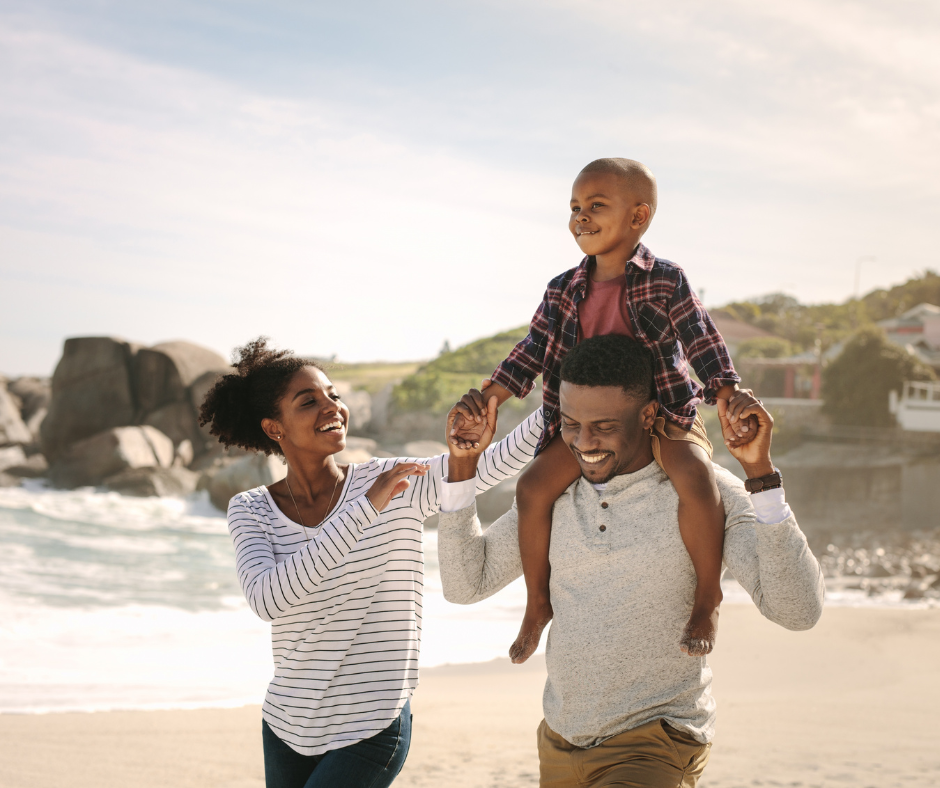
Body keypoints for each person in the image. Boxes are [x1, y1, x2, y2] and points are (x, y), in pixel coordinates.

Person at [439, 335, 824, 788]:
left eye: (603, 425)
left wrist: (760, 474)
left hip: (656, 741)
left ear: (646, 416)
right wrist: (463, 467)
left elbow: (798, 612)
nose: (584, 442)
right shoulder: (554, 497)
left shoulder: (706, 495)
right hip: (561, 740)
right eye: (570, 423)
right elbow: (466, 584)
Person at [198, 338, 543, 788]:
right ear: (274, 428)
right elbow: (269, 599)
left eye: (334, 396)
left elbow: (491, 464)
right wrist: (366, 508)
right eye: (309, 402)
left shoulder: (393, 480)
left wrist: (564, 399)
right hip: (287, 725)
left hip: (371, 725)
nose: (333, 408)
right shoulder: (251, 509)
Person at [451, 157, 757, 663]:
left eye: (596, 206)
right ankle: (536, 604)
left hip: (662, 414)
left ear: (639, 217)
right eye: (574, 207)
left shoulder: (665, 280)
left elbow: (701, 340)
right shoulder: (563, 287)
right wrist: (493, 396)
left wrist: (726, 392)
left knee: (696, 480)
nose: (581, 217)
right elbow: (531, 349)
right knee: (530, 488)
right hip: (585, 426)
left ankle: (707, 599)